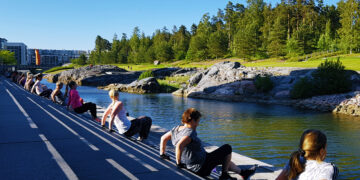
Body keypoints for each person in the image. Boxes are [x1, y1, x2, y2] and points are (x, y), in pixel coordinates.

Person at [159, 108, 256, 180]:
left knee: (225, 158)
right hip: (201, 167)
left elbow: (163, 138)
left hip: (200, 160)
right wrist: (178, 163)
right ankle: (224, 175)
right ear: (193, 121)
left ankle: (243, 173)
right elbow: (180, 145)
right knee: (227, 148)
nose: (198, 124)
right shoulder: (189, 132)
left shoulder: (176, 129)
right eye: (198, 121)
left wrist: (162, 154)